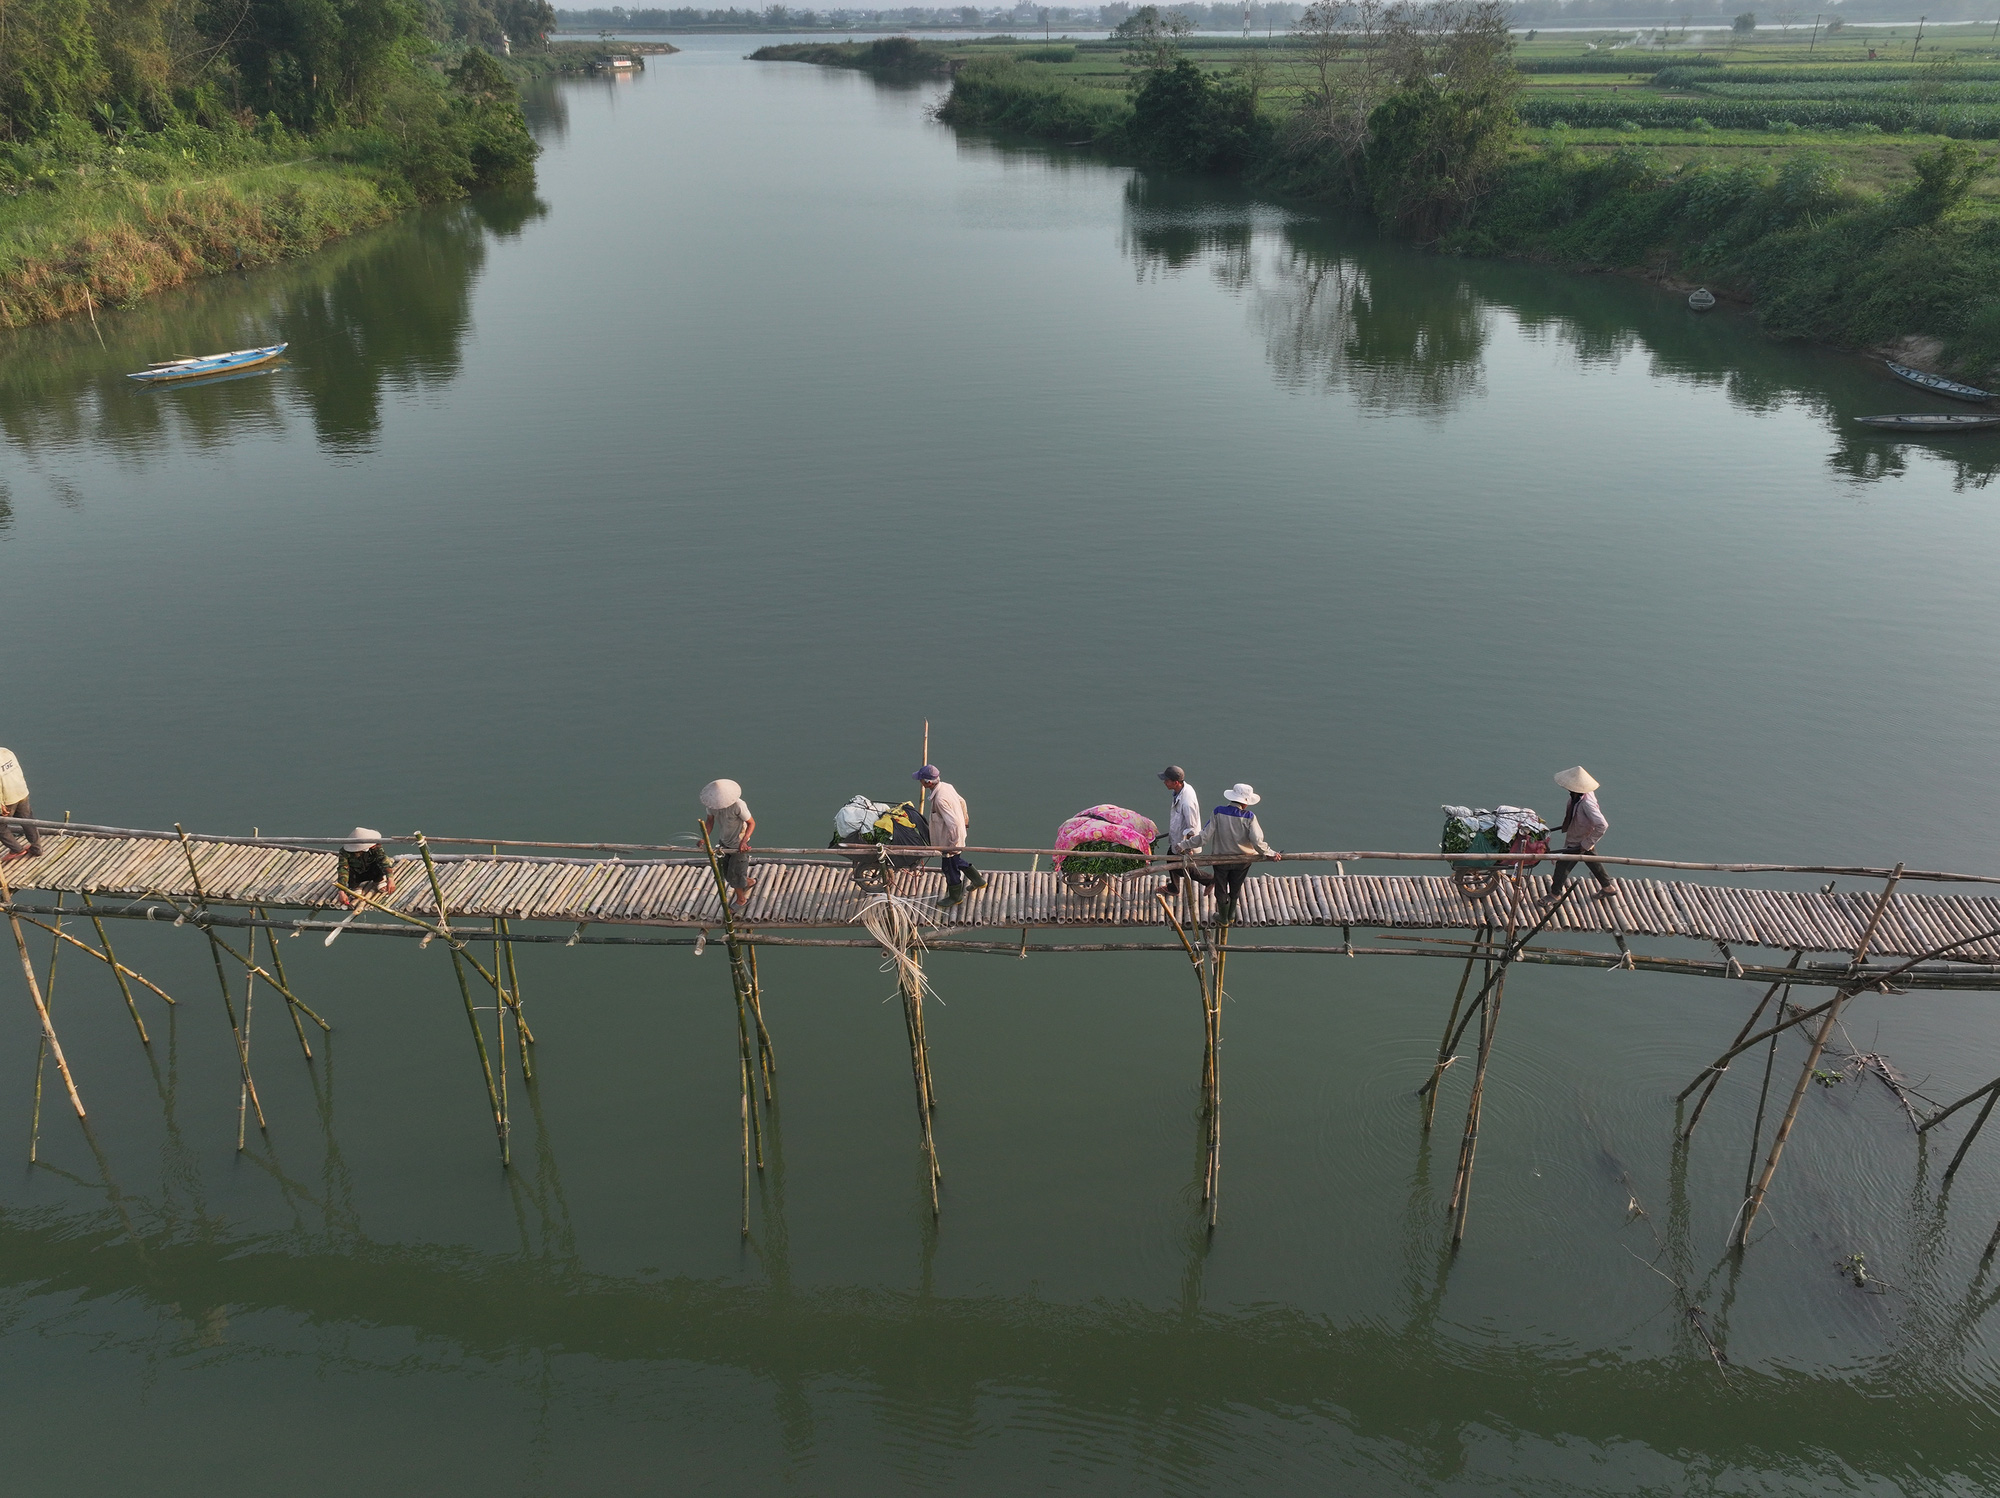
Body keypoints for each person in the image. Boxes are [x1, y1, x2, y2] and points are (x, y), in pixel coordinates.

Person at [1200, 782, 1281, 923]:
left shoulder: (1218, 812)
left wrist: (1185, 844)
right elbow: (1257, 841)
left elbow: (1204, 836)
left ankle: (1223, 917)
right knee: (1236, 887)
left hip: (1221, 860)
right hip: (1243, 861)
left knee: (1221, 888)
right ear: (1245, 803)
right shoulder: (1249, 817)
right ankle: (1231, 915)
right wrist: (1270, 853)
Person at [914, 765, 985, 908]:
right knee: (956, 861)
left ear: (928, 782)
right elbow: (962, 802)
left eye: (921, 780)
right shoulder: (947, 786)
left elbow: (954, 823)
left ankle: (955, 896)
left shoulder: (940, 799)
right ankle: (978, 881)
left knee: (949, 868)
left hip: (950, 839)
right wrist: (966, 820)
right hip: (956, 835)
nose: (920, 782)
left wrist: (953, 845)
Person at [1548, 765, 1614, 900]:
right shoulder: (1577, 796)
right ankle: (1607, 887)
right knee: (1591, 859)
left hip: (1580, 840)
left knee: (1562, 865)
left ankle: (1555, 894)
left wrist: (1586, 842)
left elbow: (1602, 824)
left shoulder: (1586, 803)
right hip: (1579, 833)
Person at [701, 779, 757, 907]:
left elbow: (751, 823)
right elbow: (709, 822)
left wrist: (744, 841)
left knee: (735, 873)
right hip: (724, 841)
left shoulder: (738, 805)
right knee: (725, 871)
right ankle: (748, 882)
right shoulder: (712, 806)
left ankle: (741, 900)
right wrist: (704, 838)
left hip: (738, 844)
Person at [1159, 765, 1212, 893]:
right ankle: (1174, 887)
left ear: (1176, 782)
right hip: (1177, 835)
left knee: (1180, 866)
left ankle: (1210, 880)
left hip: (1184, 841)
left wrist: (1188, 847)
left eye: (1167, 780)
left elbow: (1192, 827)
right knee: (1171, 858)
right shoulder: (1180, 791)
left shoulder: (1187, 802)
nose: (1164, 782)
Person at [0, 745, 41, 862]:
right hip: (21, 791)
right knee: (28, 820)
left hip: (7, 798)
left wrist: (1, 805)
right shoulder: (6, 752)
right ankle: (37, 848)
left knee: (1, 826)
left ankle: (16, 849)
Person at [337, 828, 396, 907]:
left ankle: (379, 880)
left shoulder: (376, 847)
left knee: (378, 864)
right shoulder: (345, 853)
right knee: (350, 873)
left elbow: (383, 860)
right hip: (356, 872)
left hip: (372, 869)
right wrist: (341, 891)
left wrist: (390, 879)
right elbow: (343, 869)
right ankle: (355, 886)